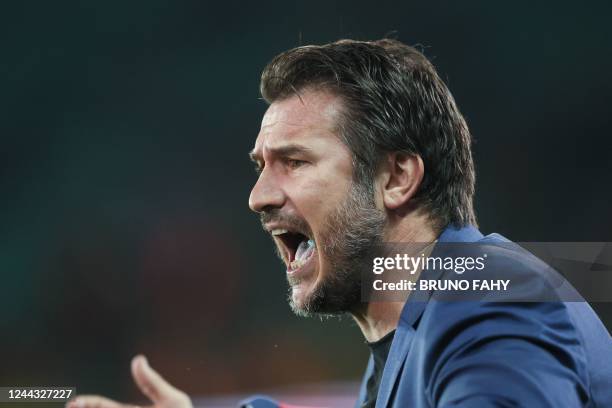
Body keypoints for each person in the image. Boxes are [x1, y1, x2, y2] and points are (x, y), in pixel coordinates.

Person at [68, 39, 612, 408]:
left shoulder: (493, 304)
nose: (257, 197)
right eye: (261, 167)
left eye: (296, 162)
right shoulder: (413, 334)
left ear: (397, 178)